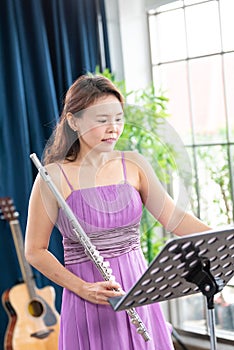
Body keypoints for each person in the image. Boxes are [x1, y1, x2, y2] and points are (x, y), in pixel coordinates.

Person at [25, 74, 211, 350]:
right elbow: (34, 250)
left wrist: (224, 238)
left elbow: (175, 217)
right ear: (74, 121)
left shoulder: (134, 165)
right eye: (102, 120)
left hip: (139, 289)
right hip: (90, 297)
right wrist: (82, 288)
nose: (113, 128)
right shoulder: (52, 176)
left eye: (118, 118)